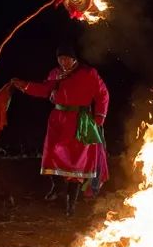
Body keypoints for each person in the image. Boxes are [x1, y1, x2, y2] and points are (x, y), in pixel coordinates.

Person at [11, 43, 109, 216]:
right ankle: (56, 186)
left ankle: (71, 205)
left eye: (66, 58)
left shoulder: (88, 73)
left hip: (80, 121)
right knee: (52, 155)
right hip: (57, 120)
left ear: (74, 59)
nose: (63, 62)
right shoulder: (55, 74)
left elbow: (103, 95)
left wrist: (99, 118)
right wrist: (25, 86)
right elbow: (44, 90)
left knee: (76, 162)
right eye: (60, 59)